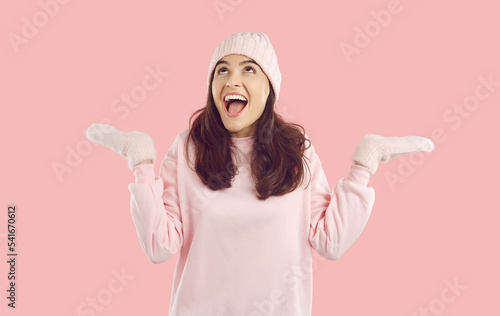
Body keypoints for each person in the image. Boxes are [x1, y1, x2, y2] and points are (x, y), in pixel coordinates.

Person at [86, 31, 434, 316]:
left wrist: (362, 167)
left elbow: (331, 242)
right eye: (221, 70)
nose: (231, 79)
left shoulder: (298, 152)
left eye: (249, 69)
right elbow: (159, 246)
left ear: (270, 88)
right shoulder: (188, 149)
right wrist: (142, 165)